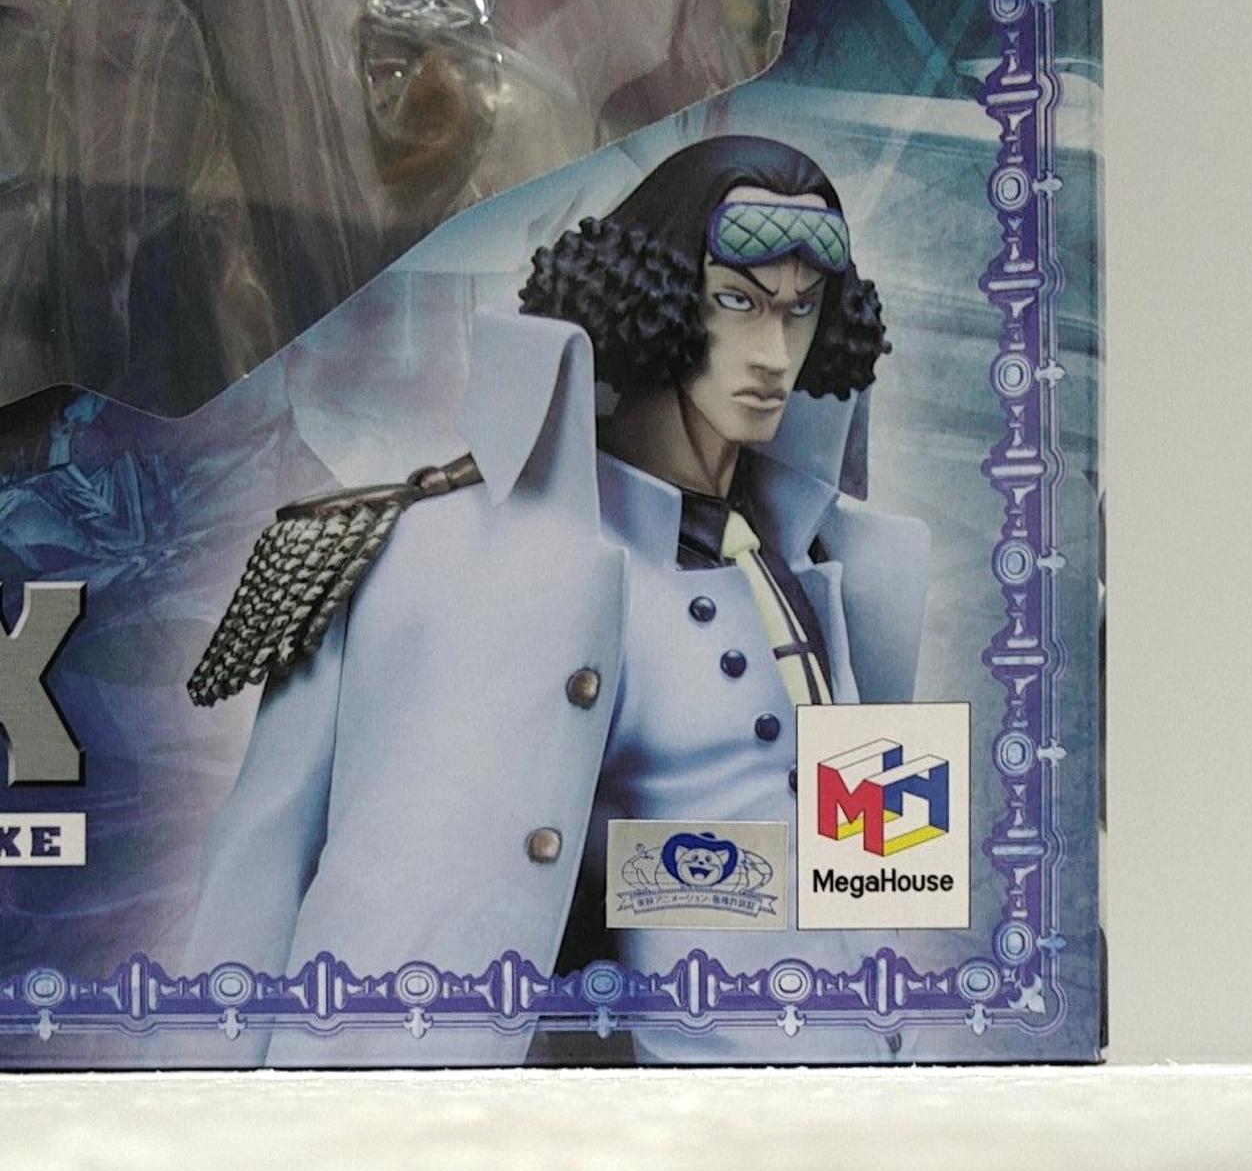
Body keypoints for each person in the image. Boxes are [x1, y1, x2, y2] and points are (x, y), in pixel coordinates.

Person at [183, 135, 929, 1064]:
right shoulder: (434, 555)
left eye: (800, 310)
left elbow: (878, 867)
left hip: (859, 1100)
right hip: (605, 1117)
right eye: (736, 303)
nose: (773, 354)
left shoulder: (828, 567)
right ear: (658, 298)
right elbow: (262, 868)